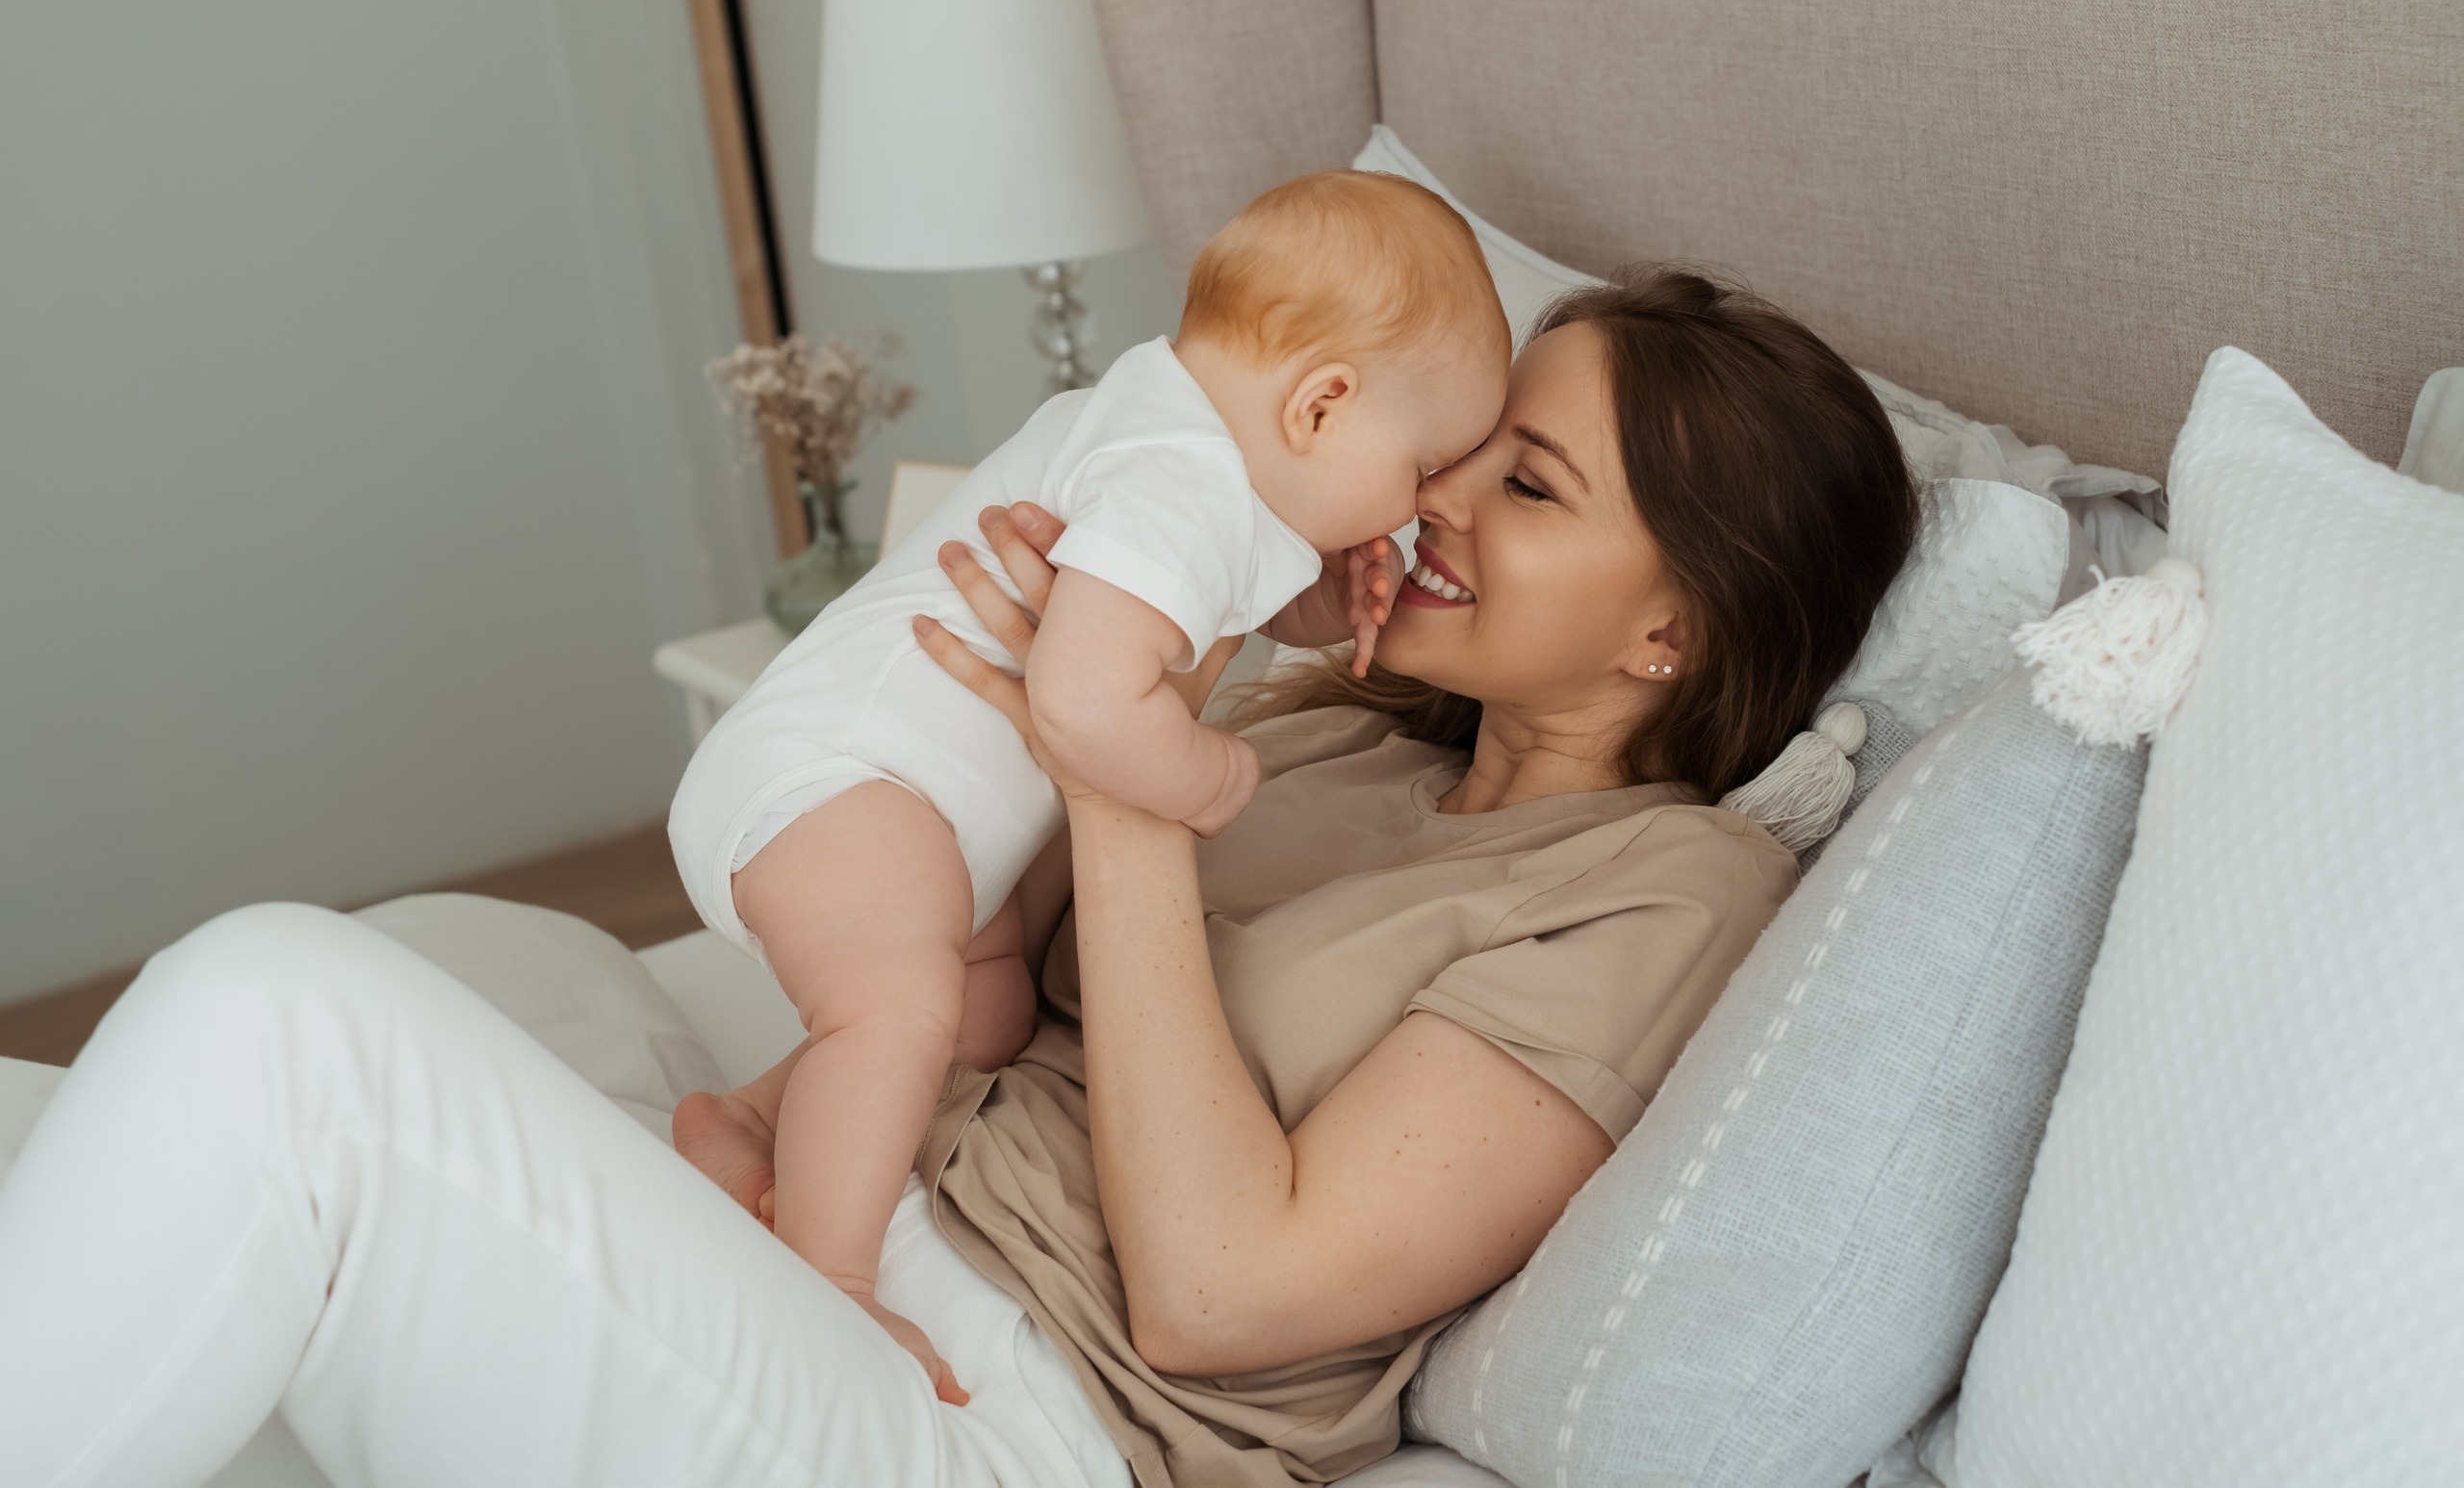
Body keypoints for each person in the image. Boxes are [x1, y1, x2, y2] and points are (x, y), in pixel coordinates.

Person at [0, 269, 1917, 1488]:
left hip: (1020, 1407)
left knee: (281, 1020)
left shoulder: (1669, 890)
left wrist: (1116, 779)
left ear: (1670, 631)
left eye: (1527, 484)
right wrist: (1018, 718)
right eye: (1463, 449)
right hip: (873, 1206)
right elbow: (999, 957)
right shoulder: (1332, 722)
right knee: (455, 951)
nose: (1430, 501)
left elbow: (1219, 1291)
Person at [664, 170, 1509, 1388]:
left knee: (984, 1012)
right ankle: (832, 1286)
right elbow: (1082, 700)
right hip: (842, 783)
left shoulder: (1184, 448)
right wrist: (1206, 772)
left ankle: (744, 1119)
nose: (1425, 506)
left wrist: (1321, 598)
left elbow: (1194, 604)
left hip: (894, 807)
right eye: (1422, 462)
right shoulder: (1178, 476)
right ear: (1323, 404)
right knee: (892, 1010)